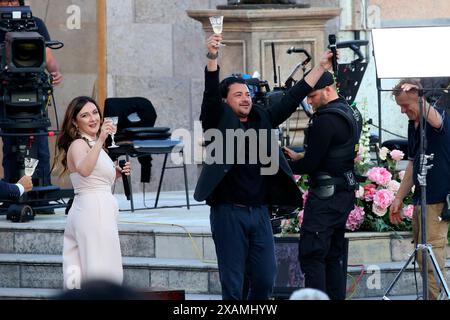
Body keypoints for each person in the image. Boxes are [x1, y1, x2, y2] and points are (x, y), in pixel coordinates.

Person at [194, 32, 336, 300]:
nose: (246, 98)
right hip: (228, 213)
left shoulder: (262, 118)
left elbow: (294, 96)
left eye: (247, 94)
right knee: (233, 283)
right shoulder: (217, 120)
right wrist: (212, 57)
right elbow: (210, 94)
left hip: (259, 213)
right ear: (226, 101)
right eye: (238, 95)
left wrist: (320, 67)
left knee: (264, 278)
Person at [288, 69, 362, 300]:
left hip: (325, 197)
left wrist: (284, 166)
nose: (309, 102)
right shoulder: (350, 112)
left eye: (312, 96)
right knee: (332, 256)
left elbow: (311, 164)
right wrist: (299, 157)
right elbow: (334, 154)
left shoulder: (325, 120)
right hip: (343, 194)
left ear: (327, 89)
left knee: (313, 256)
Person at [52, 96, 130, 289]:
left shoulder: (93, 145)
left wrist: (115, 173)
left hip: (94, 209)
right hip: (93, 212)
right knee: (99, 269)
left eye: (95, 112)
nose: (93, 118)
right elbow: (84, 170)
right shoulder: (80, 144)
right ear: (74, 122)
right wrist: (102, 138)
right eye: (85, 115)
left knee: (80, 268)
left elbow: (92, 177)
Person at [389, 79, 450, 300]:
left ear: (420, 99)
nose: (404, 111)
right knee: (421, 253)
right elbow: (413, 163)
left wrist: (419, 97)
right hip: (421, 197)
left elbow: (436, 121)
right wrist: (398, 198)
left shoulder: (437, 116)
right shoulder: (412, 124)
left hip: (438, 197)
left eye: (407, 105)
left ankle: (435, 298)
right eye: (400, 107)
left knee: (431, 254)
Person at [0, 0, 62, 198]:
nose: (10, 5)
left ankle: (41, 195)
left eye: (13, 1)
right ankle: (13, 193)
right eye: (4, 1)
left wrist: (55, 72)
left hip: (34, 92)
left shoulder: (36, 24)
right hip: (6, 94)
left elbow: (48, 55)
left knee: (40, 146)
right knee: (10, 146)